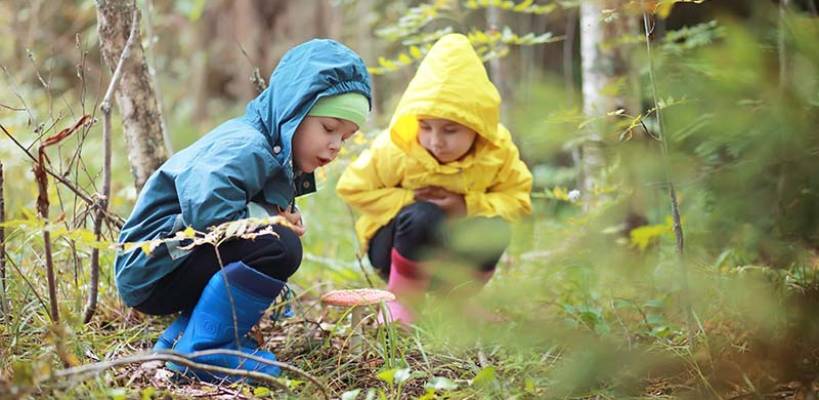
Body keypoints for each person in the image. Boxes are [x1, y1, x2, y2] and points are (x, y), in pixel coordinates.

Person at [115, 39, 371, 381]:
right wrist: (269, 221)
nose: (335, 145)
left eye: (346, 136)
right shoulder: (246, 145)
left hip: (165, 263)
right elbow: (206, 208)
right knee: (278, 244)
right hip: (154, 266)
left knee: (274, 239)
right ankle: (207, 354)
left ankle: (179, 340)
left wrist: (270, 216)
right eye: (328, 128)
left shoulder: (270, 148)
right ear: (293, 111)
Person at [336, 33, 532, 325]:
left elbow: (518, 200)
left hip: (453, 254)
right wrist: (409, 199)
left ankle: (459, 300)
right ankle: (401, 303)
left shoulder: (496, 151)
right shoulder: (397, 149)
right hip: (394, 251)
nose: (435, 141)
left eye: (450, 130)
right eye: (425, 127)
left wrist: (465, 205)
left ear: (477, 127)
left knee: (495, 228)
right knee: (422, 215)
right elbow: (352, 187)